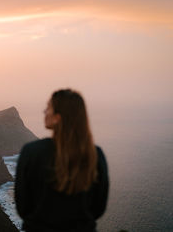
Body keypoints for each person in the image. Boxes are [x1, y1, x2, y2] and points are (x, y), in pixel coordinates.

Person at [15, 88, 109, 232]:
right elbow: (98, 208)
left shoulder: (32, 152)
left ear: (57, 118)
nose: (44, 112)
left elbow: (23, 206)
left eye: (48, 108)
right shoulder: (95, 154)